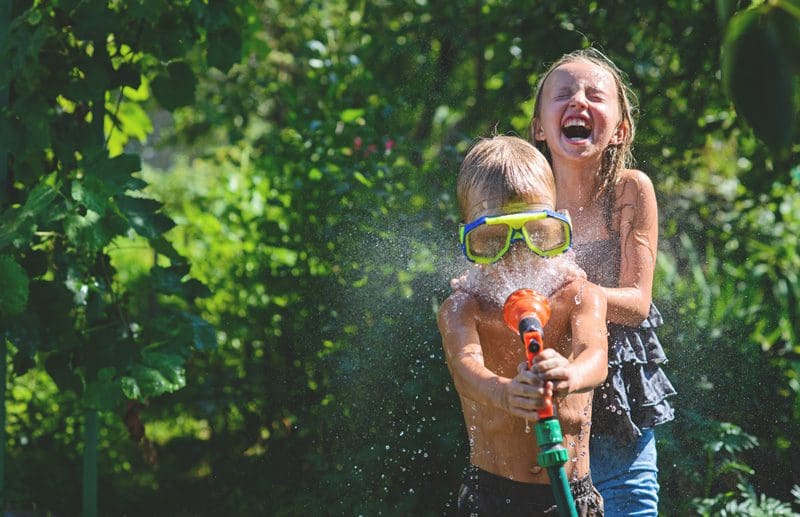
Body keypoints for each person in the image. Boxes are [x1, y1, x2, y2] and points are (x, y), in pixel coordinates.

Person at [529, 47, 676, 516]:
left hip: (617, 416)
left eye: (595, 95)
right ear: (538, 127)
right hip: (553, 413)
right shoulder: (526, 204)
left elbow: (637, 303)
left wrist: (577, 292)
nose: (578, 101)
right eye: (563, 94)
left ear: (620, 129)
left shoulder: (629, 190)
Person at [438, 135, 607, 516]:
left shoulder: (580, 295)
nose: (518, 252)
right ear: (469, 237)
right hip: (493, 496)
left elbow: (595, 356)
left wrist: (571, 374)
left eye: (537, 234)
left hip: (572, 494)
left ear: (558, 225)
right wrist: (503, 393)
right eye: (493, 240)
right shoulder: (464, 307)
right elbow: (465, 369)